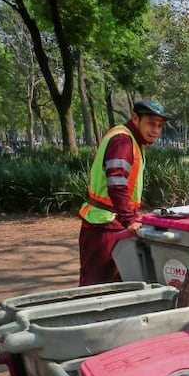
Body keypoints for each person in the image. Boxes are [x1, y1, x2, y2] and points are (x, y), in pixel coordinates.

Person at [77, 99, 170, 286]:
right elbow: (117, 182)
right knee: (96, 286)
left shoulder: (131, 140)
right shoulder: (123, 141)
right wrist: (129, 219)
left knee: (115, 285)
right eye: (151, 124)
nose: (155, 130)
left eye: (159, 126)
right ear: (135, 118)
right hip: (105, 224)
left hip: (112, 222)